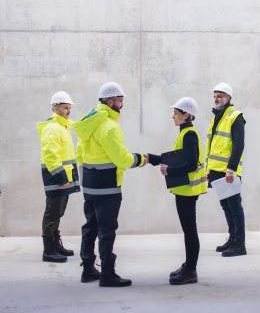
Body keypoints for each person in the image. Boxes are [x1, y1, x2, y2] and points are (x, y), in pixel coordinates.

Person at [71, 82, 148, 287]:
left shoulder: (90, 122)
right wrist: (140, 159)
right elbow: (121, 158)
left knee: (90, 226)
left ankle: (88, 269)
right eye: (120, 101)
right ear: (110, 101)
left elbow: (80, 154)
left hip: (89, 184)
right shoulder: (109, 126)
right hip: (107, 185)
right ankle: (107, 274)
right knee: (107, 230)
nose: (122, 105)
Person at [147, 97, 207, 285]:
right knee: (189, 230)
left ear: (186, 115)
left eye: (175, 113)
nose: (172, 116)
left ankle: (190, 271)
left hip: (188, 192)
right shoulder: (185, 133)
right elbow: (175, 159)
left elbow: (189, 164)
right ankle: (189, 266)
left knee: (189, 231)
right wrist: (151, 158)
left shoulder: (188, 134)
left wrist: (169, 171)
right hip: (185, 191)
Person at [36, 91, 81, 263]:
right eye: (65, 108)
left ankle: (56, 246)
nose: (69, 111)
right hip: (57, 179)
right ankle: (48, 251)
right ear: (55, 108)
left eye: (69, 108)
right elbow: (51, 157)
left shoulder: (63, 127)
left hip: (63, 179)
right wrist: (62, 178)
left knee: (58, 212)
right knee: (52, 213)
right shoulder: (52, 128)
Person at [205, 83, 247, 257]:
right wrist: (208, 169)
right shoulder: (217, 117)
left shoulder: (235, 116)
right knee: (226, 206)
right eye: (215, 96)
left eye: (220, 96)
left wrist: (231, 169)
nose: (216, 99)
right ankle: (232, 238)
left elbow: (238, 145)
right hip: (216, 169)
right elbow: (212, 144)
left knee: (234, 205)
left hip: (228, 170)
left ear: (227, 98)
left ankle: (240, 243)